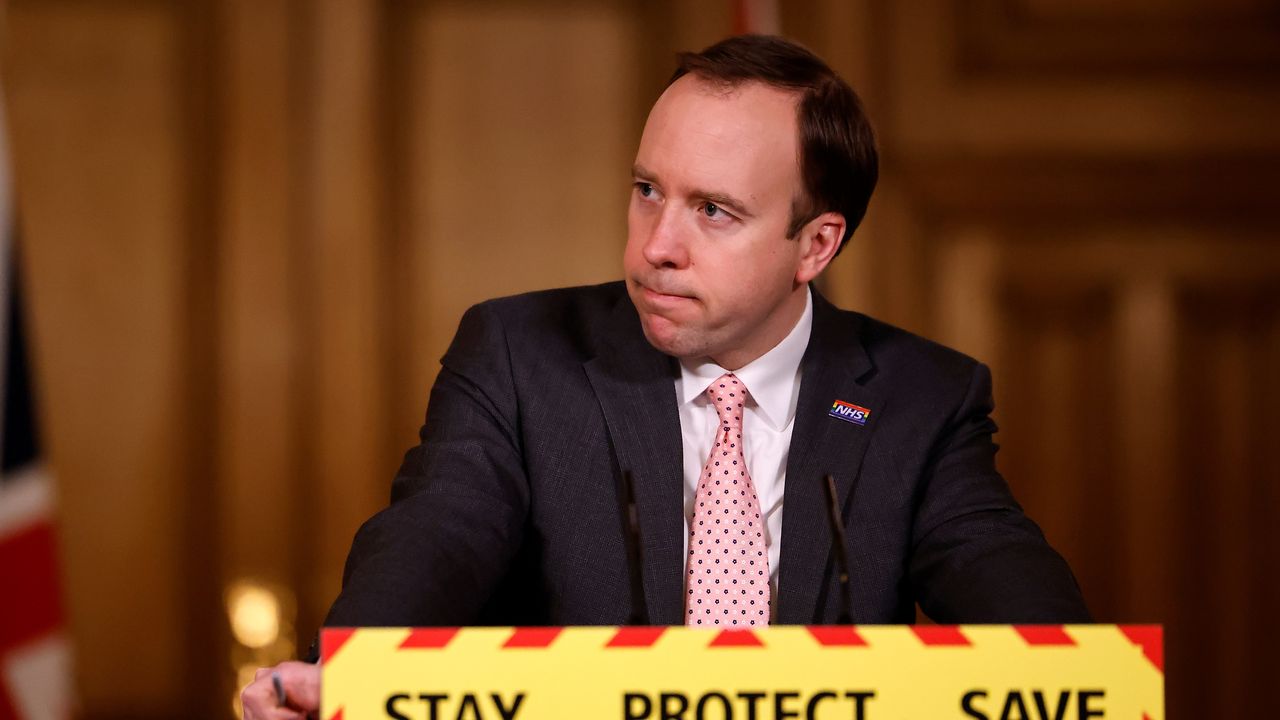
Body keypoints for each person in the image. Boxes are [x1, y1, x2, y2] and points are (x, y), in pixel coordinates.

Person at [241, 34, 1088, 719]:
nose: (656, 246)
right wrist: (346, 677)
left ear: (816, 245)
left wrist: (1086, 686)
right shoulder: (519, 355)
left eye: (712, 211)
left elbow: (1015, 598)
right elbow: (435, 535)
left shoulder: (919, 398)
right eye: (648, 190)